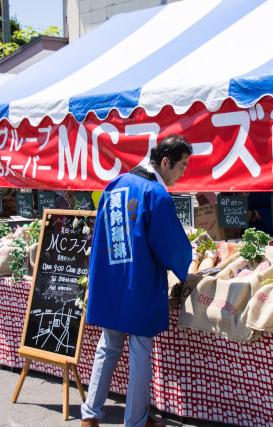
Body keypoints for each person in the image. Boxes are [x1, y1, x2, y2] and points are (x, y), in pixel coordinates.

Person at [81, 135, 193, 427]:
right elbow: (172, 246)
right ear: (165, 162)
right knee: (140, 354)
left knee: (108, 347)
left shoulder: (115, 185)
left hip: (110, 282)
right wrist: (186, 269)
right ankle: (136, 420)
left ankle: (89, 415)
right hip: (139, 285)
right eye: (181, 166)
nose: (182, 174)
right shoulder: (156, 194)